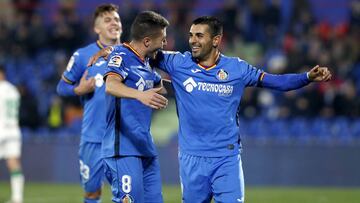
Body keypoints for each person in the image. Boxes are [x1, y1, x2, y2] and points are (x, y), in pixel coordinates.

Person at [89, 16, 331, 203]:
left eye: (199, 35)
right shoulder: (176, 62)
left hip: (226, 157)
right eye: (191, 35)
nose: (192, 40)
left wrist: (307, 77)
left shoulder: (237, 69)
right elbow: (139, 49)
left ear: (216, 40)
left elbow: (275, 81)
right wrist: (112, 50)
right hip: (191, 158)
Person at [56, 4, 122, 203]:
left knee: (127, 195)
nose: (114, 23)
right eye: (107, 20)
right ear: (97, 28)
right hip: (93, 137)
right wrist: (79, 89)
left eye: (116, 19)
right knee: (92, 193)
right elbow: (61, 87)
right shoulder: (83, 55)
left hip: (123, 139)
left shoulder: (133, 54)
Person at [101, 11, 169, 203]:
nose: (165, 44)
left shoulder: (148, 63)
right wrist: (141, 95)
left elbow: (160, 87)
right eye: (162, 39)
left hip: (145, 147)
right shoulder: (120, 55)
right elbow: (111, 85)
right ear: (147, 41)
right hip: (123, 148)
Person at [0, 66, 24, 203]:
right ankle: (17, 197)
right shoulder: (14, 90)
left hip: (0, 128)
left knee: (13, 162)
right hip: (13, 130)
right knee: (14, 163)